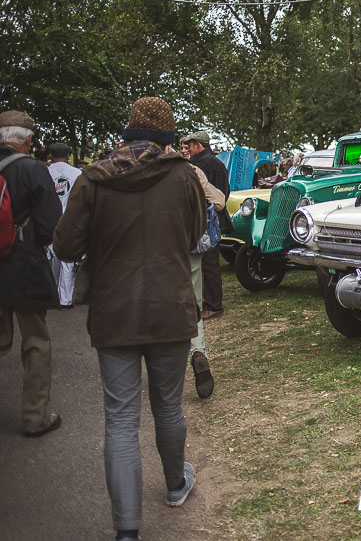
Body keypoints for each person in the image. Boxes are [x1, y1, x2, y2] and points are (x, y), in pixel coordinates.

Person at [53, 97, 206, 541]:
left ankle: (126, 531)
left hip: (114, 310)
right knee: (168, 405)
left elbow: (65, 246)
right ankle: (175, 483)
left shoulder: (94, 178)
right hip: (170, 307)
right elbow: (196, 233)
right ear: (167, 137)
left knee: (120, 419)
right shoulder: (183, 175)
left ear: (128, 133)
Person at [0, 110, 63, 438]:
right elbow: (51, 226)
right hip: (24, 265)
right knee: (36, 341)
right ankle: (36, 417)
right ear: (26, 140)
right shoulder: (32, 169)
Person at [179, 130, 229, 320]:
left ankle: (214, 305)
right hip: (212, 218)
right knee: (207, 263)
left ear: (198, 145)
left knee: (209, 264)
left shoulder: (204, 163)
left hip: (209, 220)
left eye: (190, 145)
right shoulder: (213, 161)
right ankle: (209, 301)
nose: (187, 149)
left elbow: (208, 194)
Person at [46, 142, 82, 308]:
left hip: (48, 219)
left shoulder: (45, 172)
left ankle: (52, 295)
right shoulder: (77, 173)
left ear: (51, 156)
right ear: (68, 155)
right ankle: (65, 299)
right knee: (67, 260)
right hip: (69, 219)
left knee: (50, 258)